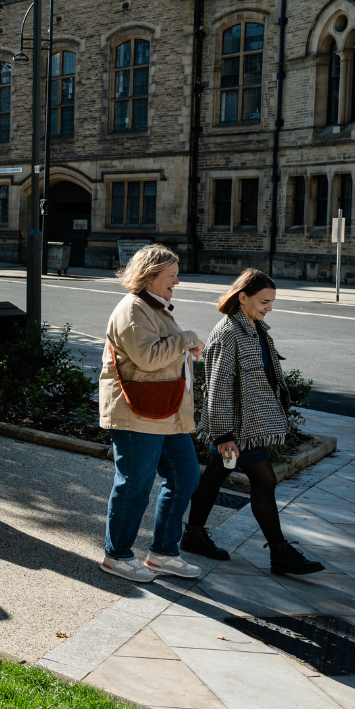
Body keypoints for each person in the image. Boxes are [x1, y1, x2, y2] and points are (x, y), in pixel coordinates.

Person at [185, 270, 325, 575]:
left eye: (272, 301)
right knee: (264, 481)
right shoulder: (228, 333)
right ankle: (280, 553)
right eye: (265, 301)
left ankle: (193, 534)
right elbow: (218, 387)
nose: (270, 307)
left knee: (213, 478)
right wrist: (223, 435)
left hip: (248, 424)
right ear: (243, 297)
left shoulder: (256, 327)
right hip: (237, 428)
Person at [99, 244, 205, 582]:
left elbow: (163, 354)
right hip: (137, 411)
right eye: (172, 275)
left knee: (186, 476)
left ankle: (162, 553)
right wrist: (186, 339)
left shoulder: (153, 307)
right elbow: (147, 358)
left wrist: (187, 348)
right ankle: (116, 556)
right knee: (135, 484)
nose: (178, 280)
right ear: (151, 275)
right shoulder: (132, 309)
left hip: (164, 411)